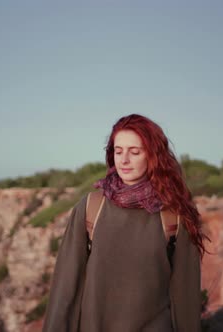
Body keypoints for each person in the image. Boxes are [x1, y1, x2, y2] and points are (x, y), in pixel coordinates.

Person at [43, 114, 206, 332]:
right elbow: (66, 288)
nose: (124, 160)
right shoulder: (91, 207)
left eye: (134, 152)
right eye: (118, 151)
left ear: (153, 155)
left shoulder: (174, 213)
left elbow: (185, 295)